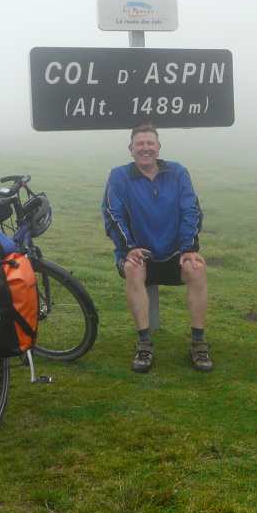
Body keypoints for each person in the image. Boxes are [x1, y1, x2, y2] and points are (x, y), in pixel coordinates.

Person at [101, 123, 210, 373]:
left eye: (150, 143)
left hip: (175, 252)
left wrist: (189, 247)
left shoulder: (177, 172)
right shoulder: (119, 176)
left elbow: (191, 209)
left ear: (158, 147)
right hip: (140, 252)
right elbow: (112, 213)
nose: (145, 148)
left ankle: (198, 342)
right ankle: (144, 343)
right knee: (133, 268)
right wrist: (129, 247)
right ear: (131, 149)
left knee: (197, 269)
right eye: (140, 144)